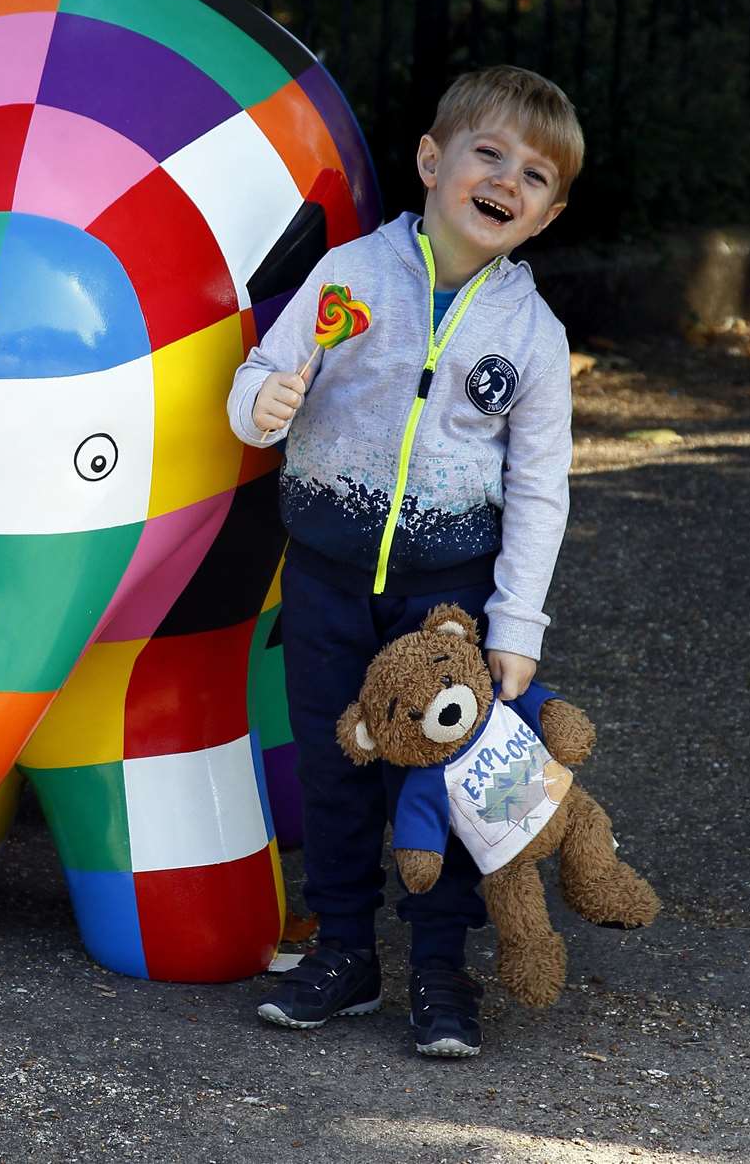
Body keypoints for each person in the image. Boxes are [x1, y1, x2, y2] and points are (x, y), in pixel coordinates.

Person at [227, 65, 584, 1057]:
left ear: (547, 215)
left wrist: (515, 625)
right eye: (490, 153)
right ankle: (343, 950)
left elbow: (542, 489)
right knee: (338, 769)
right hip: (328, 580)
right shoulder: (347, 275)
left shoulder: (534, 337)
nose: (509, 178)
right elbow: (261, 371)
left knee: (451, 781)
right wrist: (259, 405)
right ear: (433, 161)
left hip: (449, 607)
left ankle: (439, 966)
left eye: (537, 175)